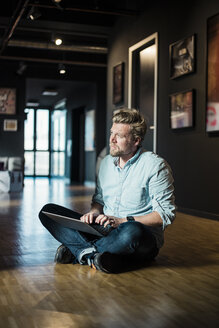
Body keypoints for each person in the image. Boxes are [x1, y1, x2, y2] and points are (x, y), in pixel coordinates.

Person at [39, 108, 175, 273]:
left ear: (136, 140)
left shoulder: (155, 166)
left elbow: (165, 215)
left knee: (132, 230)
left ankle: (79, 251)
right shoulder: (105, 164)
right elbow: (100, 200)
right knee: (48, 212)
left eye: (119, 136)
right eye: (112, 133)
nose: (112, 139)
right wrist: (94, 212)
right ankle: (97, 256)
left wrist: (123, 221)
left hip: (139, 237)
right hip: (104, 230)